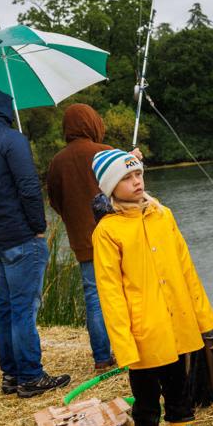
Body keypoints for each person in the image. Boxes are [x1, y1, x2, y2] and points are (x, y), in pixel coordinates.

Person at [91, 149, 213, 426]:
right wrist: (123, 344)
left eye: (139, 175)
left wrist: (203, 317)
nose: (137, 182)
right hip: (143, 333)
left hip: (177, 326)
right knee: (147, 401)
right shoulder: (107, 231)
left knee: (180, 391)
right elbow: (111, 294)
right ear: (111, 188)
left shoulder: (164, 215)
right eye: (127, 178)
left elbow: (186, 268)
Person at [0, 85, 69, 398]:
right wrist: (37, 226)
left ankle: (11, 375)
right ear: (1, 108)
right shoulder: (12, 140)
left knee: (5, 308)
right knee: (22, 309)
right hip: (19, 235)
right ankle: (31, 376)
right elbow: (29, 187)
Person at [47, 103, 142, 372]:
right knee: (126, 291)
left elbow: (55, 201)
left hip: (83, 241)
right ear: (91, 123)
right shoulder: (106, 153)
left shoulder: (57, 162)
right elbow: (129, 192)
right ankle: (130, 350)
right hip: (116, 235)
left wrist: (75, 221)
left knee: (94, 296)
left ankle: (102, 357)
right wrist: (131, 160)